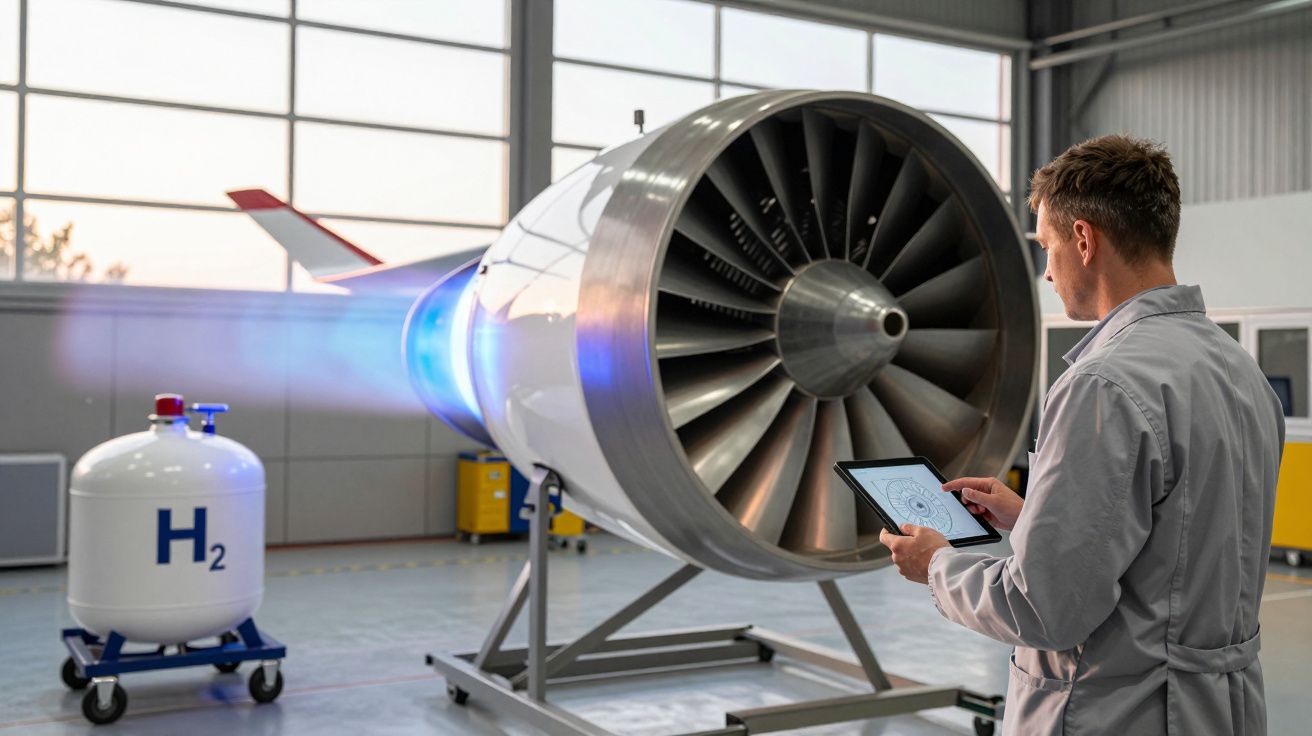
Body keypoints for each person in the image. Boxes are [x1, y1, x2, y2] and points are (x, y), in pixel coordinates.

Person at [878, 135, 1284, 735]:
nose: (1046, 269)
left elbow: (1043, 608)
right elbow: (1178, 540)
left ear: (1085, 240)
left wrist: (936, 565)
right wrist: (1033, 515)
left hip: (1120, 712)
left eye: (1046, 245)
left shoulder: (1104, 384)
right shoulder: (1238, 371)